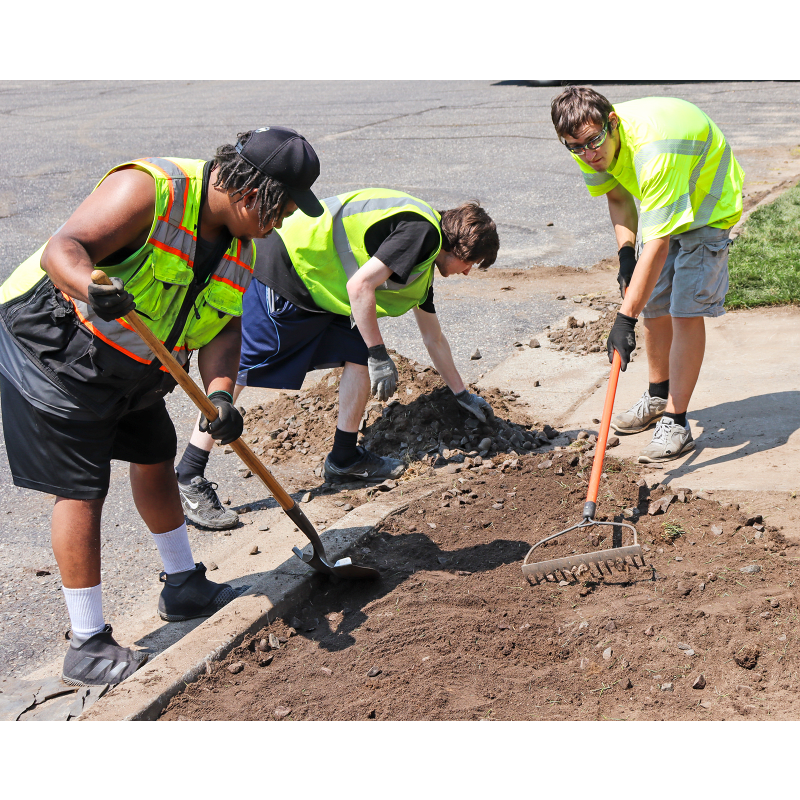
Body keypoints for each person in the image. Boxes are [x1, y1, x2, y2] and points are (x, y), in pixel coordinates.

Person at [0, 126, 323, 686]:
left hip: (136, 360)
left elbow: (223, 328)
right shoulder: (154, 190)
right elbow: (63, 249)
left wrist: (219, 395)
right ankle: (86, 644)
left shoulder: (242, 246)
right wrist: (90, 286)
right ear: (252, 195)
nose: (280, 223)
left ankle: (183, 585)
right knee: (81, 486)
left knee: (155, 452)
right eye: (282, 210)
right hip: (54, 343)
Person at [175, 188, 500, 527]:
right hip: (287, 268)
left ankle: (344, 459)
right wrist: (379, 354)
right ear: (460, 247)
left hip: (318, 286)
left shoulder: (422, 260)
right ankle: (189, 473)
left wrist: (462, 394)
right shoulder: (421, 233)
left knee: (357, 353)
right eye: (471, 262)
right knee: (239, 370)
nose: (467, 271)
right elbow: (360, 287)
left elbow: (434, 338)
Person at [550, 87, 744, 463]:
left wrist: (625, 318)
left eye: (592, 142)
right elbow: (618, 196)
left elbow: (657, 244)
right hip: (666, 198)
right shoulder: (586, 141)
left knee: (685, 308)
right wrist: (626, 254)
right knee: (654, 301)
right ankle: (658, 396)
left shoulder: (654, 150)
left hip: (708, 203)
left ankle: (676, 421)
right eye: (575, 147)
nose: (588, 154)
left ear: (612, 123)